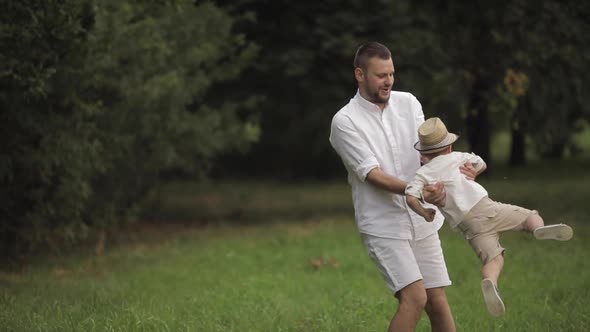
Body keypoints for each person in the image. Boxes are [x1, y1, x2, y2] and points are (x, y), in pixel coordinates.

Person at [330, 42, 475, 332]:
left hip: (423, 219)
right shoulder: (344, 121)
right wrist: (419, 190)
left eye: (392, 74)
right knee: (414, 297)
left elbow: (430, 155)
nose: (389, 81)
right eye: (381, 75)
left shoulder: (409, 103)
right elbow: (372, 174)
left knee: (436, 299)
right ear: (360, 74)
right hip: (383, 224)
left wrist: (455, 171)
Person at [405, 117, 574, 317]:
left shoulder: (423, 174)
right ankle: (537, 228)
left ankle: (491, 282)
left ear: (423, 154)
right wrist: (473, 171)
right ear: (449, 147)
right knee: (529, 216)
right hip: (486, 208)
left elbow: (410, 197)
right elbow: (481, 163)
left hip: (469, 227)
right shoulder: (458, 157)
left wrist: (424, 212)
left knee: (493, 259)